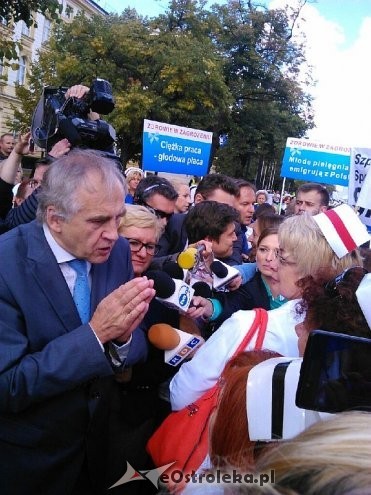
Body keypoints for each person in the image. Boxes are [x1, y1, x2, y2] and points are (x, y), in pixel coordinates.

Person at [0, 149, 156, 495]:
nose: (114, 235)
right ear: (55, 218)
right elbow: (8, 384)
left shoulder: (114, 253)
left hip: (100, 451)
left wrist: (124, 339)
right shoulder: (6, 264)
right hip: (32, 464)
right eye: (98, 221)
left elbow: (134, 340)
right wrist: (96, 334)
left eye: (117, 218)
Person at [170, 206, 366, 411]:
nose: (274, 263)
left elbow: (181, 395)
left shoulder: (248, 326)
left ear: (308, 272)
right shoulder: (357, 331)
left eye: (282, 258)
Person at [155, 174, 242, 266]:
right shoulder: (171, 224)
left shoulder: (234, 229)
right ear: (199, 200)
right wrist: (184, 257)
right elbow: (151, 263)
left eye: (230, 208)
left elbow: (234, 266)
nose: (227, 213)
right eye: (221, 207)